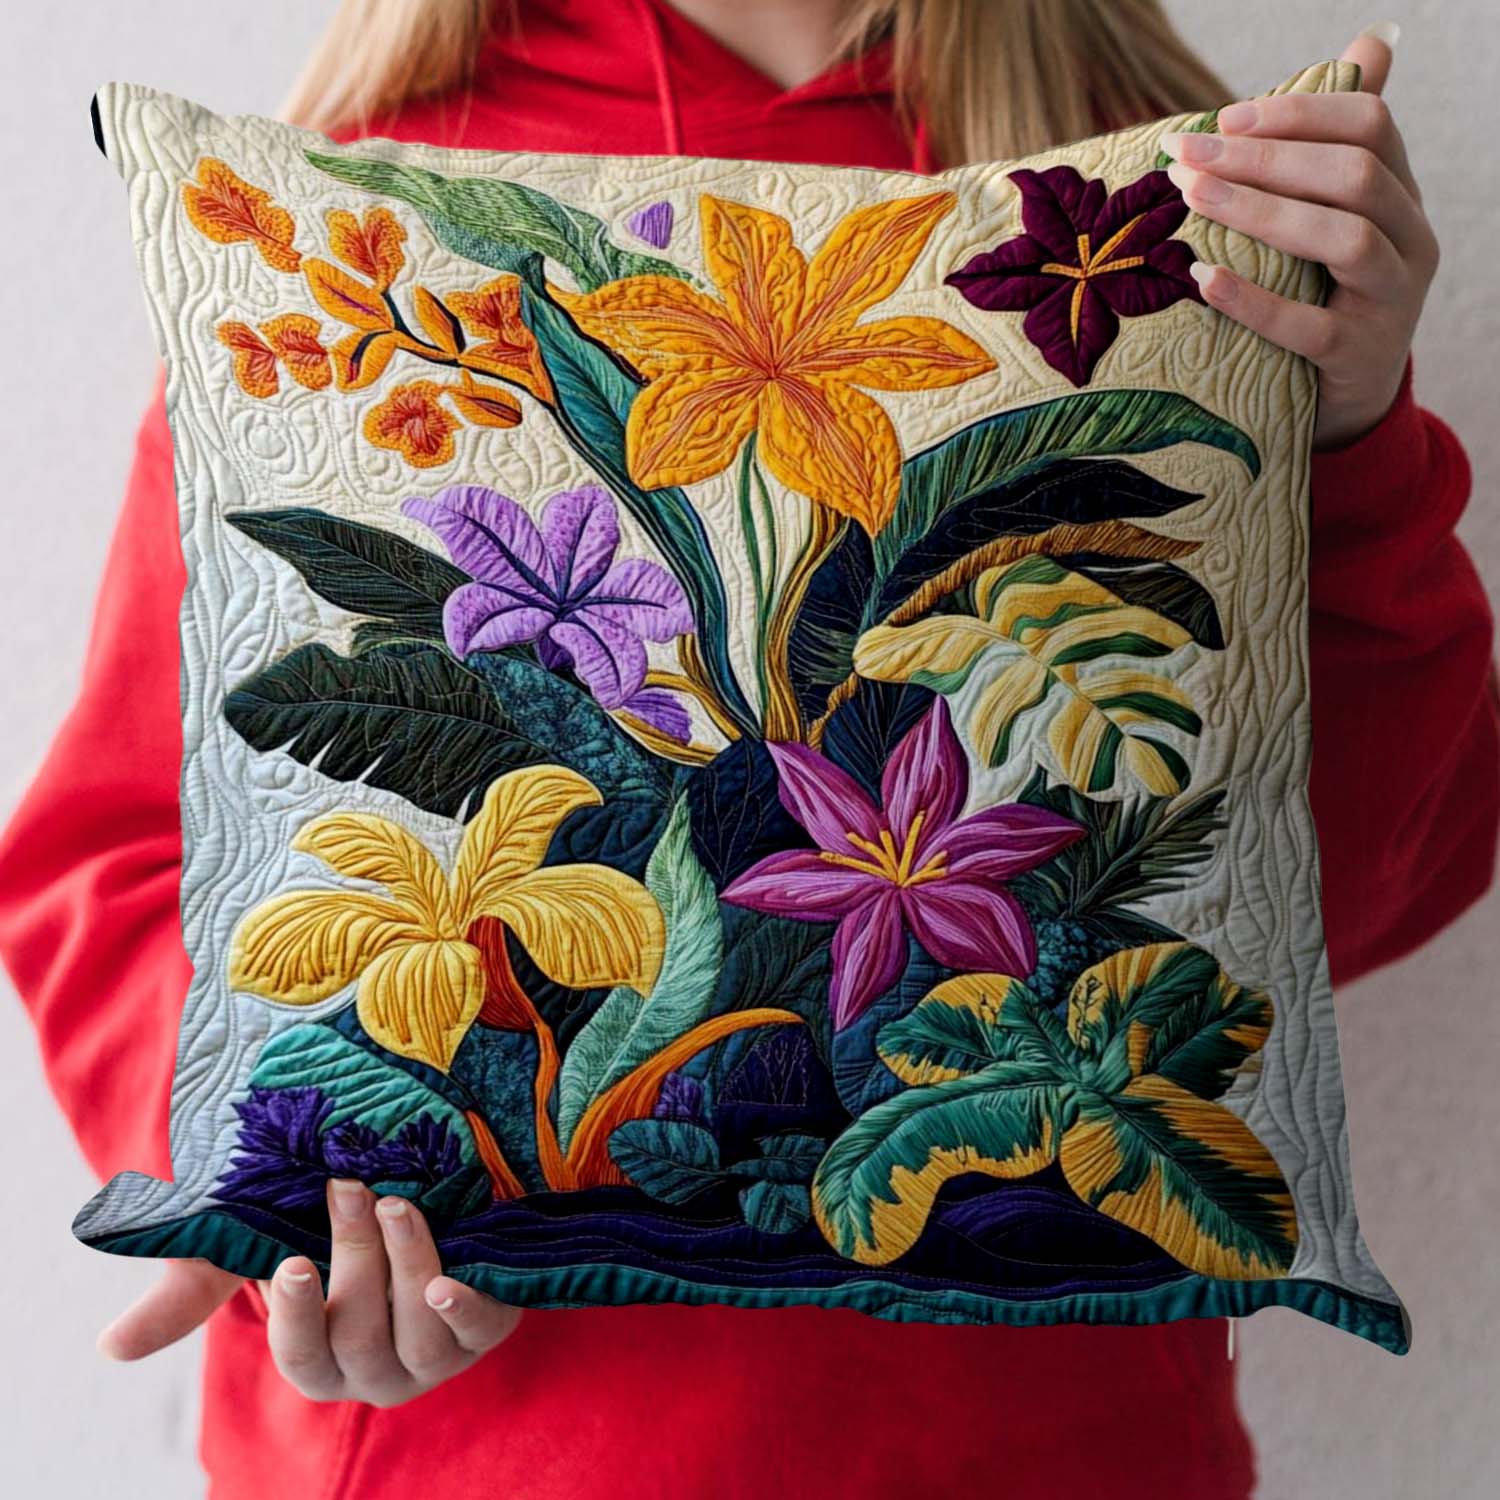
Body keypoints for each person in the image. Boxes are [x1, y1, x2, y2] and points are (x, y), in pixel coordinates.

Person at [2, 2, 1495, 1496]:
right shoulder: (349, 218)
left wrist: (1354, 437)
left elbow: (1326, 895)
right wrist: (285, 1223)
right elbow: (113, 863)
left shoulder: (1156, 211)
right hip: (475, 1452)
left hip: (1055, 1452)